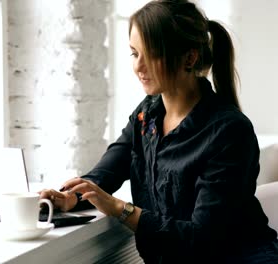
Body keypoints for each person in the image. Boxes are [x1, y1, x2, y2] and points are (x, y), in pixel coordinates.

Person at [40, 0, 278, 263]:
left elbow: (202, 238)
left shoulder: (230, 132)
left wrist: (120, 208)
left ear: (189, 57)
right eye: (134, 53)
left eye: (151, 54)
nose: (138, 67)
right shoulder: (146, 116)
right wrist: (69, 197)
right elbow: (105, 173)